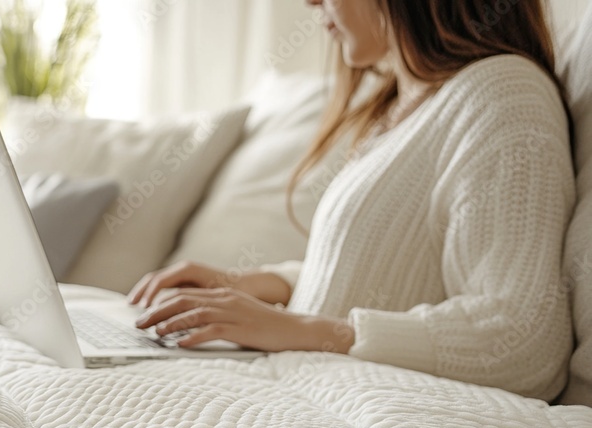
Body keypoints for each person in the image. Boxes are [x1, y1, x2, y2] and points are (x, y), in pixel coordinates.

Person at [128, 0, 576, 401]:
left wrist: (301, 331)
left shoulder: (503, 95)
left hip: (358, 406)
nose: (311, 2)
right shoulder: (406, 106)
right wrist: (264, 284)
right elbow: (395, 278)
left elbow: (523, 343)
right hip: (306, 387)